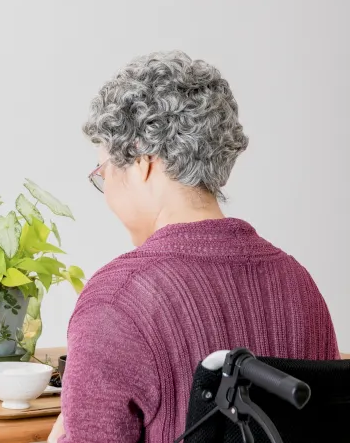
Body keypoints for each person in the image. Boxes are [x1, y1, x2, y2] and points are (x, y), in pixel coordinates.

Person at [48, 51, 339, 443]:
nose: (106, 192)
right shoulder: (300, 286)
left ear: (143, 162)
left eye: (104, 173)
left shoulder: (116, 301)